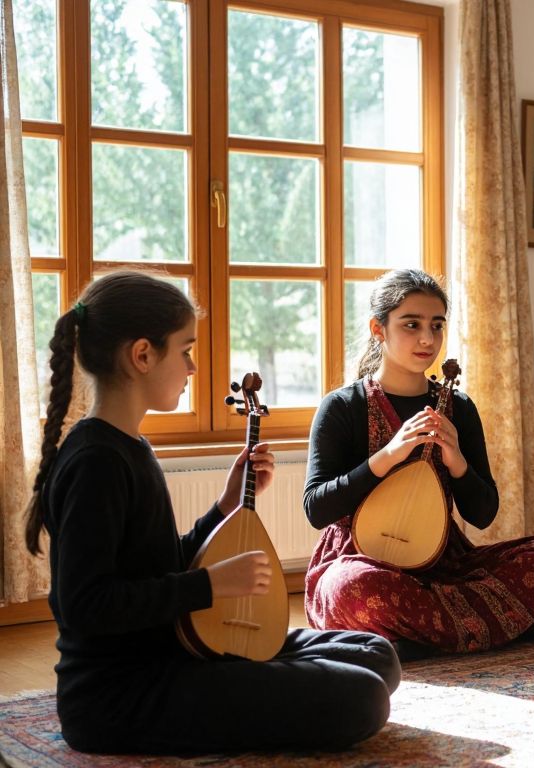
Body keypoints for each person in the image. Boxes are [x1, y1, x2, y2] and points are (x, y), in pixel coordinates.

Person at [23, 271, 398, 755]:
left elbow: (156, 564)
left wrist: (223, 507)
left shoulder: (130, 445)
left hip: (177, 649)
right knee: (362, 696)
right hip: (121, 696)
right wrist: (212, 585)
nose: (193, 367)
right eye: (185, 350)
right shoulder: (96, 462)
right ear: (141, 355)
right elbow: (87, 605)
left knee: (375, 654)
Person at [303, 269, 534, 660]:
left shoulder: (460, 407)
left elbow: (483, 513)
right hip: (361, 560)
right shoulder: (342, 407)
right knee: (351, 587)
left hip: (445, 565)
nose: (427, 339)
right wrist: (388, 455)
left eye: (436, 326)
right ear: (378, 328)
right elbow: (317, 509)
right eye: (411, 325)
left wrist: (456, 460)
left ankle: (421, 638)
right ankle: (498, 626)